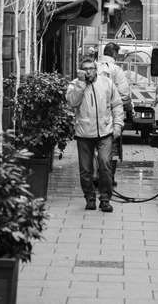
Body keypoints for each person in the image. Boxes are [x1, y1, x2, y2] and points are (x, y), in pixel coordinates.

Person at [66, 57, 124, 212]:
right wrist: (81, 84)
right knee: (86, 170)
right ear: (80, 70)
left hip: (105, 132)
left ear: (95, 69)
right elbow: (72, 102)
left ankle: (105, 199)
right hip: (84, 134)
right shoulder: (75, 84)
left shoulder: (107, 83)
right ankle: (90, 197)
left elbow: (117, 105)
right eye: (85, 69)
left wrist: (117, 126)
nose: (88, 71)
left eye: (91, 68)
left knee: (105, 164)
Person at [97, 42, 134, 185]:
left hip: (92, 116)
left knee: (94, 147)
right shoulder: (116, 70)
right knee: (111, 148)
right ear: (114, 54)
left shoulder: (92, 67)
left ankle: (95, 175)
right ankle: (108, 178)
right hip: (110, 117)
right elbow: (124, 95)